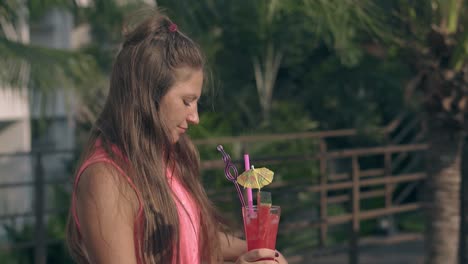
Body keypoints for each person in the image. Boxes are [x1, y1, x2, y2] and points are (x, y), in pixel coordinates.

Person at [66, 10, 288, 264]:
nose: (195, 117)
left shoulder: (166, 157)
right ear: (148, 95)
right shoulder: (105, 179)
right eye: (186, 101)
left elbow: (193, 236)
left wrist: (264, 254)